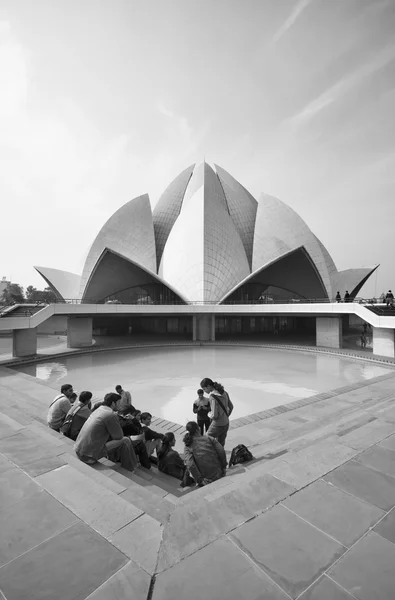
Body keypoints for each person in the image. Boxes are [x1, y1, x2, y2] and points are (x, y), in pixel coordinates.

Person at [74, 392, 137, 471]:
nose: (119, 405)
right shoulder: (110, 414)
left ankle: (124, 464)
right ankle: (131, 468)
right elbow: (119, 436)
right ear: (113, 403)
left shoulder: (99, 409)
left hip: (79, 450)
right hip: (88, 456)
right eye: (118, 403)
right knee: (126, 440)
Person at [183, 421, 227, 486]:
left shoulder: (187, 447)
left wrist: (200, 480)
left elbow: (190, 464)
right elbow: (221, 451)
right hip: (218, 473)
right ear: (198, 430)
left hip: (206, 479)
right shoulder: (209, 438)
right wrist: (223, 467)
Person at [200, 378, 233, 447]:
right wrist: (225, 417)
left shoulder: (212, 397)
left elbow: (214, 415)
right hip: (226, 423)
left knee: (206, 440)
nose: (204, 391)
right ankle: (221, 457)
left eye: (204, 389)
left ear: (208, 386)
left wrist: (208, 414)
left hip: (217, 425)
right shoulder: (224, 392)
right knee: (220, 445)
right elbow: (231, 406)